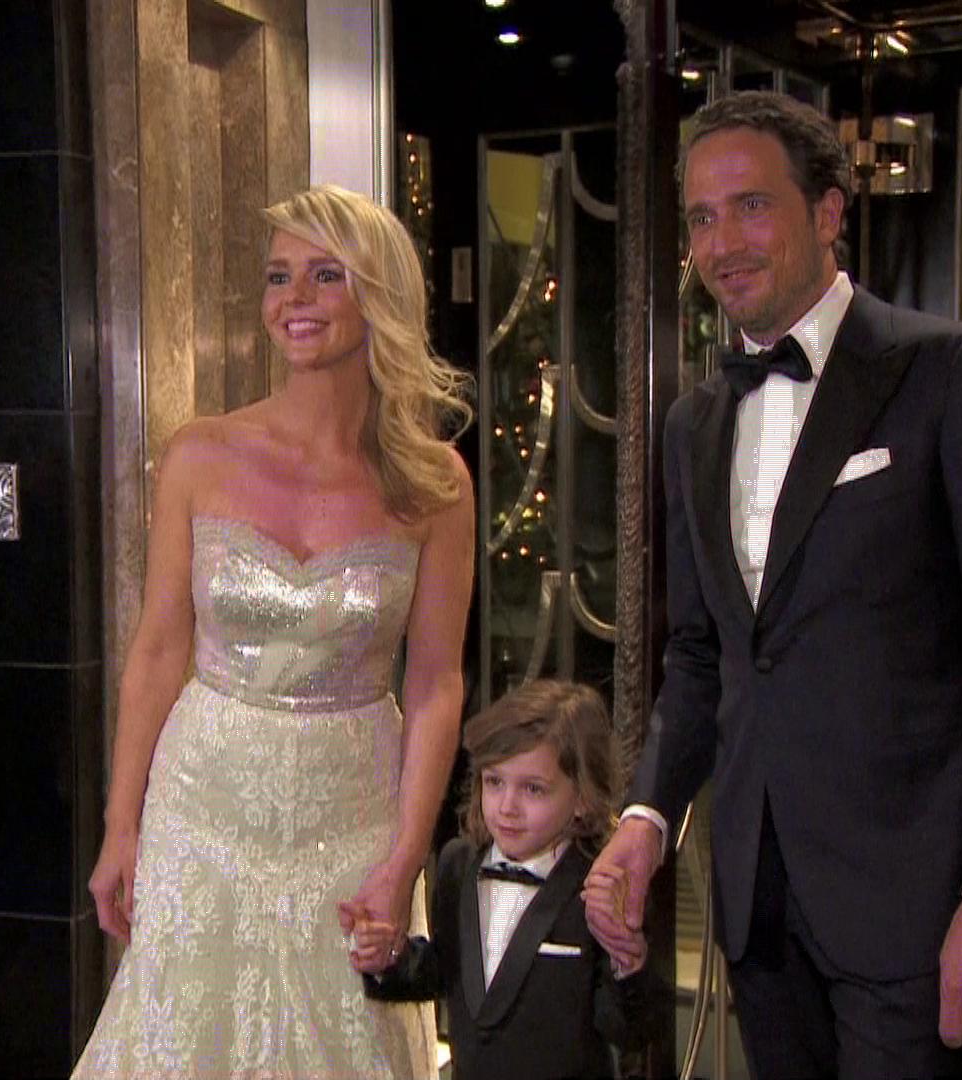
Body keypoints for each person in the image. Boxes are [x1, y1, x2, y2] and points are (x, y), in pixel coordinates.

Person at [584, 91, 962, 1078]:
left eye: (752, 206)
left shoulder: (955, 373)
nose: (722, 242)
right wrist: (647, 815)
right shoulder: (694, 424)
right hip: (759, 900)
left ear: (826, 212)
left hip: (917, 899)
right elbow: (703, 655)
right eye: (701, 217)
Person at [72, 184, 475, 1078]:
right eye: (278, 276)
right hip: (202, 804)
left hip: (353, 812)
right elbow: (157, 652)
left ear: (379, 295)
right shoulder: (200, 454)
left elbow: (435, 683)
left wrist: (404, 858)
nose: (294, 298)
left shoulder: (436, 483)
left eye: (325, 275)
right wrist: (121, 825)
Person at [359, 679, 662, 1080]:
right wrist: (390, 958)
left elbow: (629, 1031)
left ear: (582, 797)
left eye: (533, 789)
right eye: (494, 782)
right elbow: (445, 970)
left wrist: (628, 961)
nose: (506, 807)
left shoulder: (601, 886)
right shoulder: (458, 864)